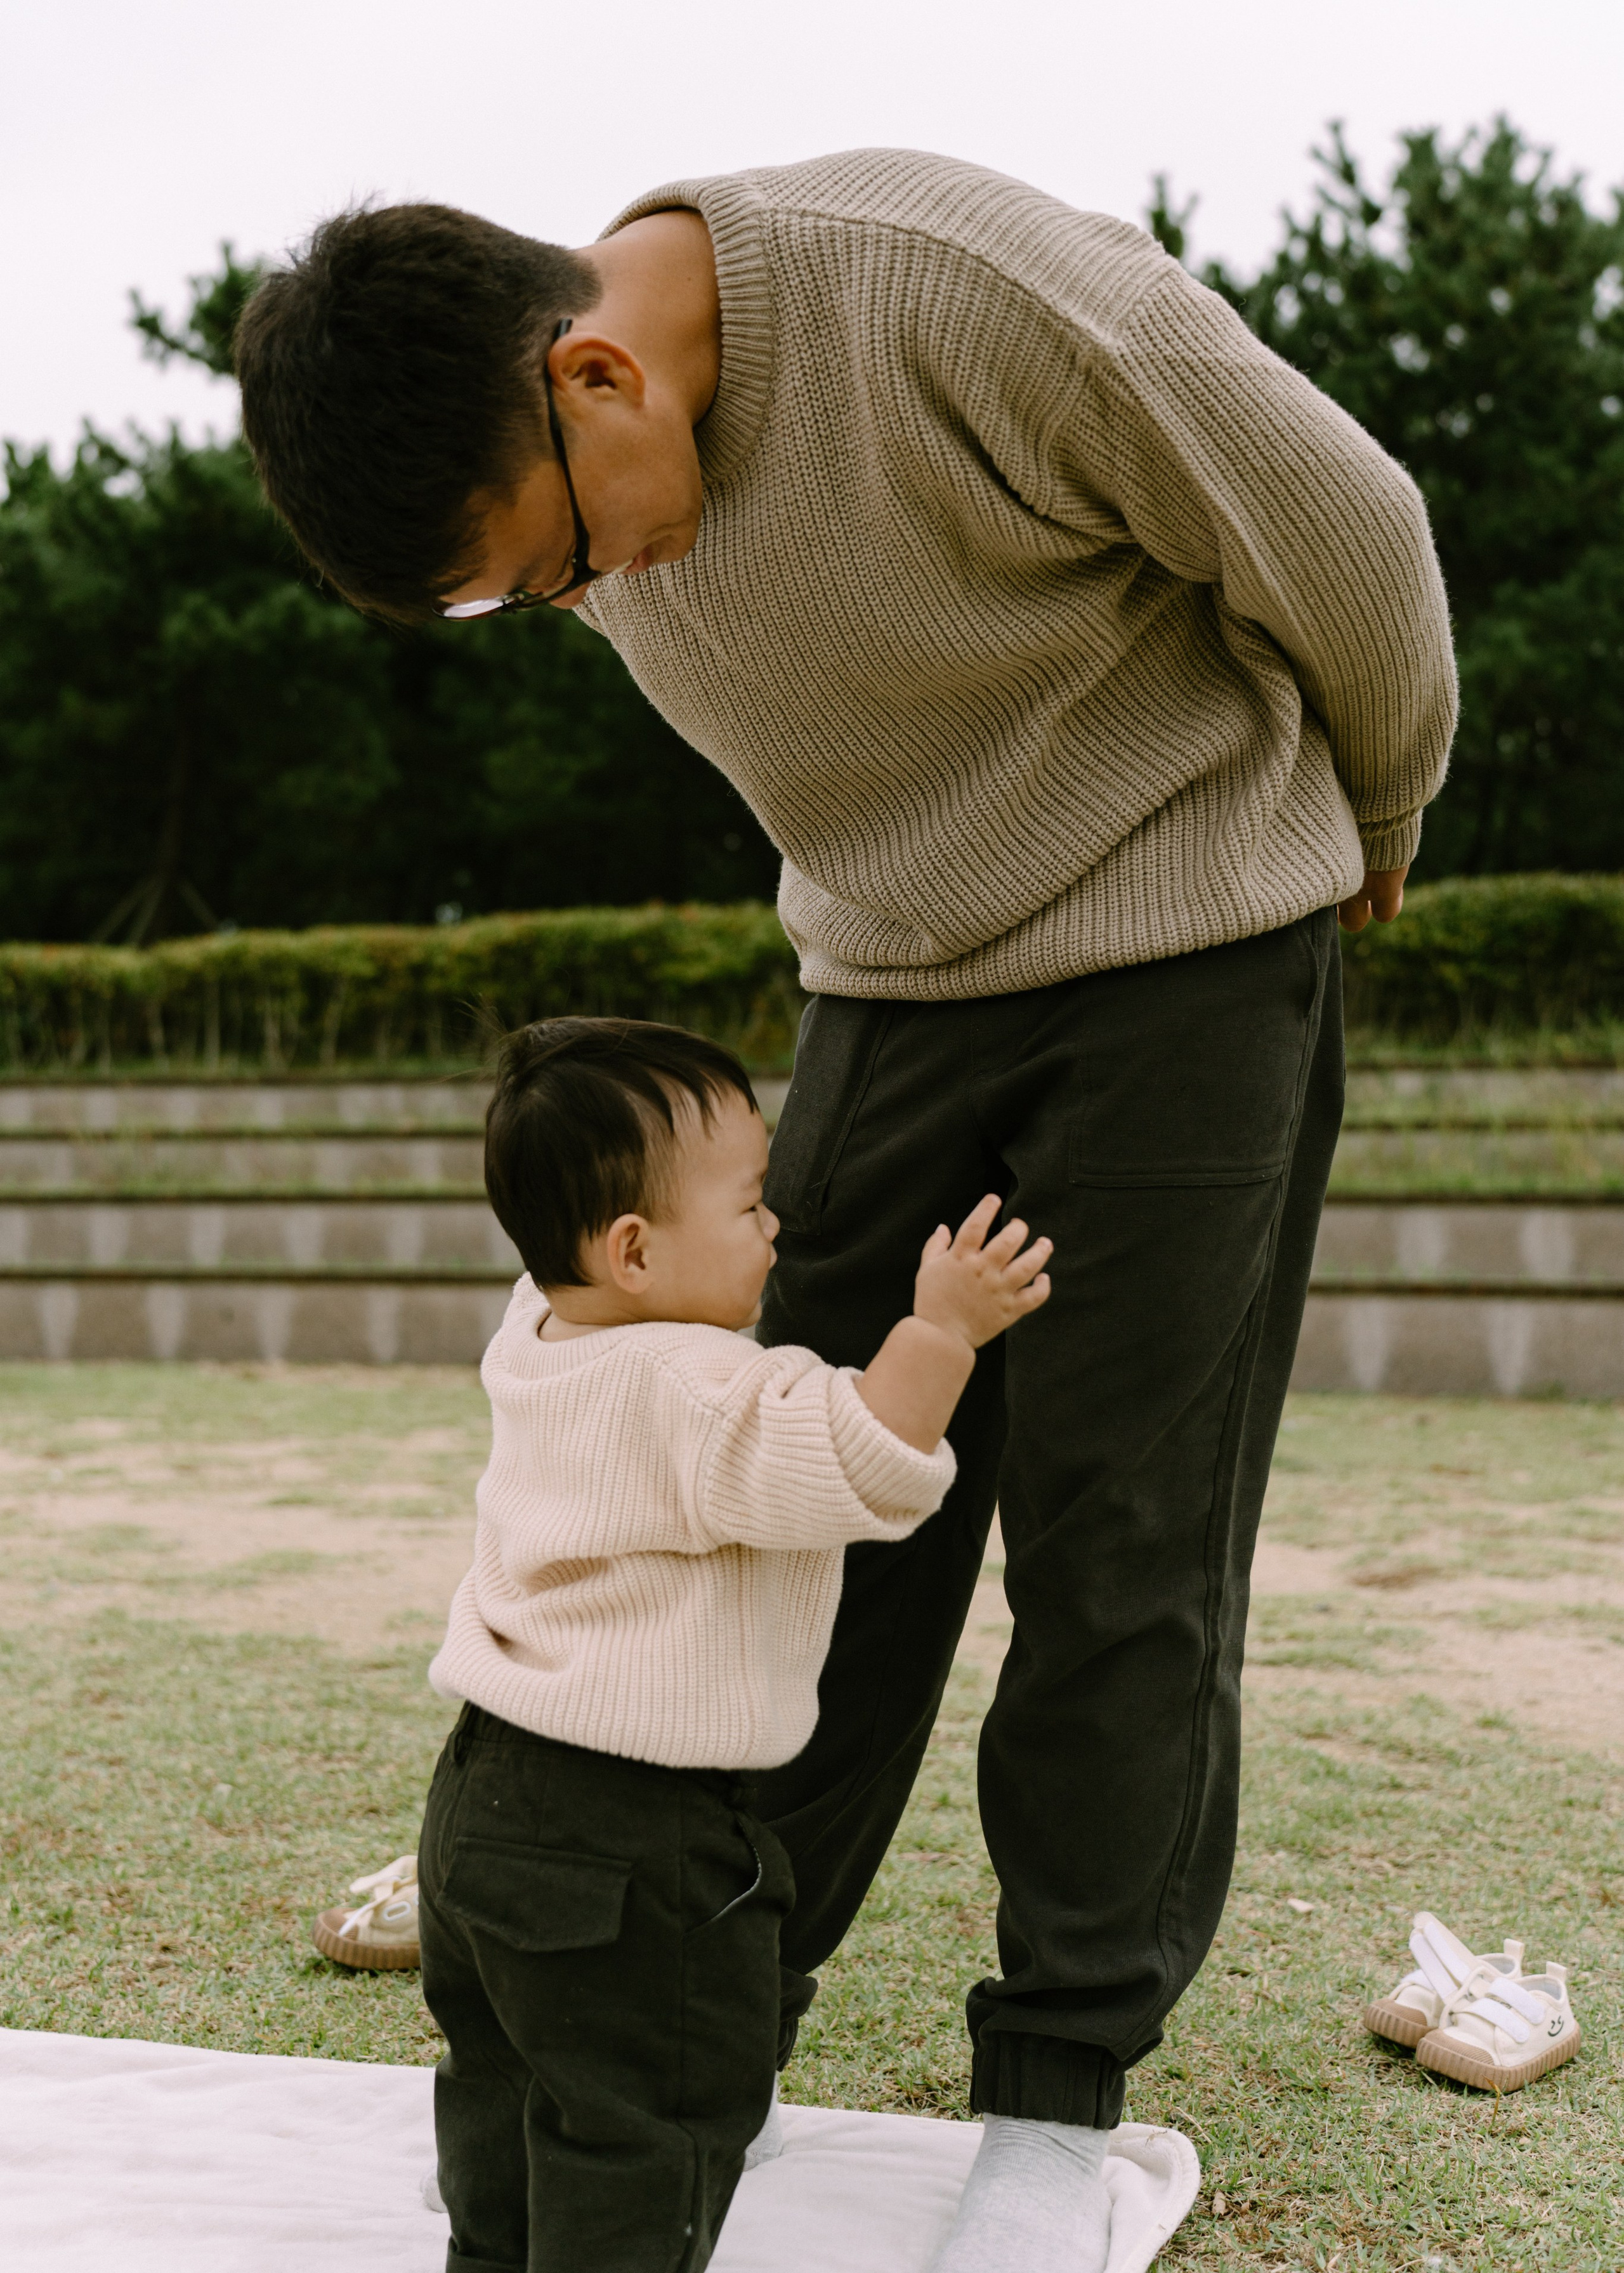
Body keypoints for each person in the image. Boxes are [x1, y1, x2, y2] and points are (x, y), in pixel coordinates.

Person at [235, 149, 1457, 2273]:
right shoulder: (598, 481)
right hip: (892, 982)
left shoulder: (960, 291)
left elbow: (1352, 530)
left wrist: (1379, 800)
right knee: (787, 1497)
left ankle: (1056, 2102)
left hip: (1190, 944)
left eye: (546, 568)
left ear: (599, 376)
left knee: (1121, 1548)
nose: (576, 605)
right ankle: (711, 2032)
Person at [416, 1014, 1049, 2273]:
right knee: (647, 2120)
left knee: (505, 2081)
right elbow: (864, 1456)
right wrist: (941, 1331)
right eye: (752, 1205)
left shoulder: (532, 1334)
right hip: (633, 1836)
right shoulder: (704, 1392)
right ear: (633, 1251)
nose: (777, 1229)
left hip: (477, 1802)